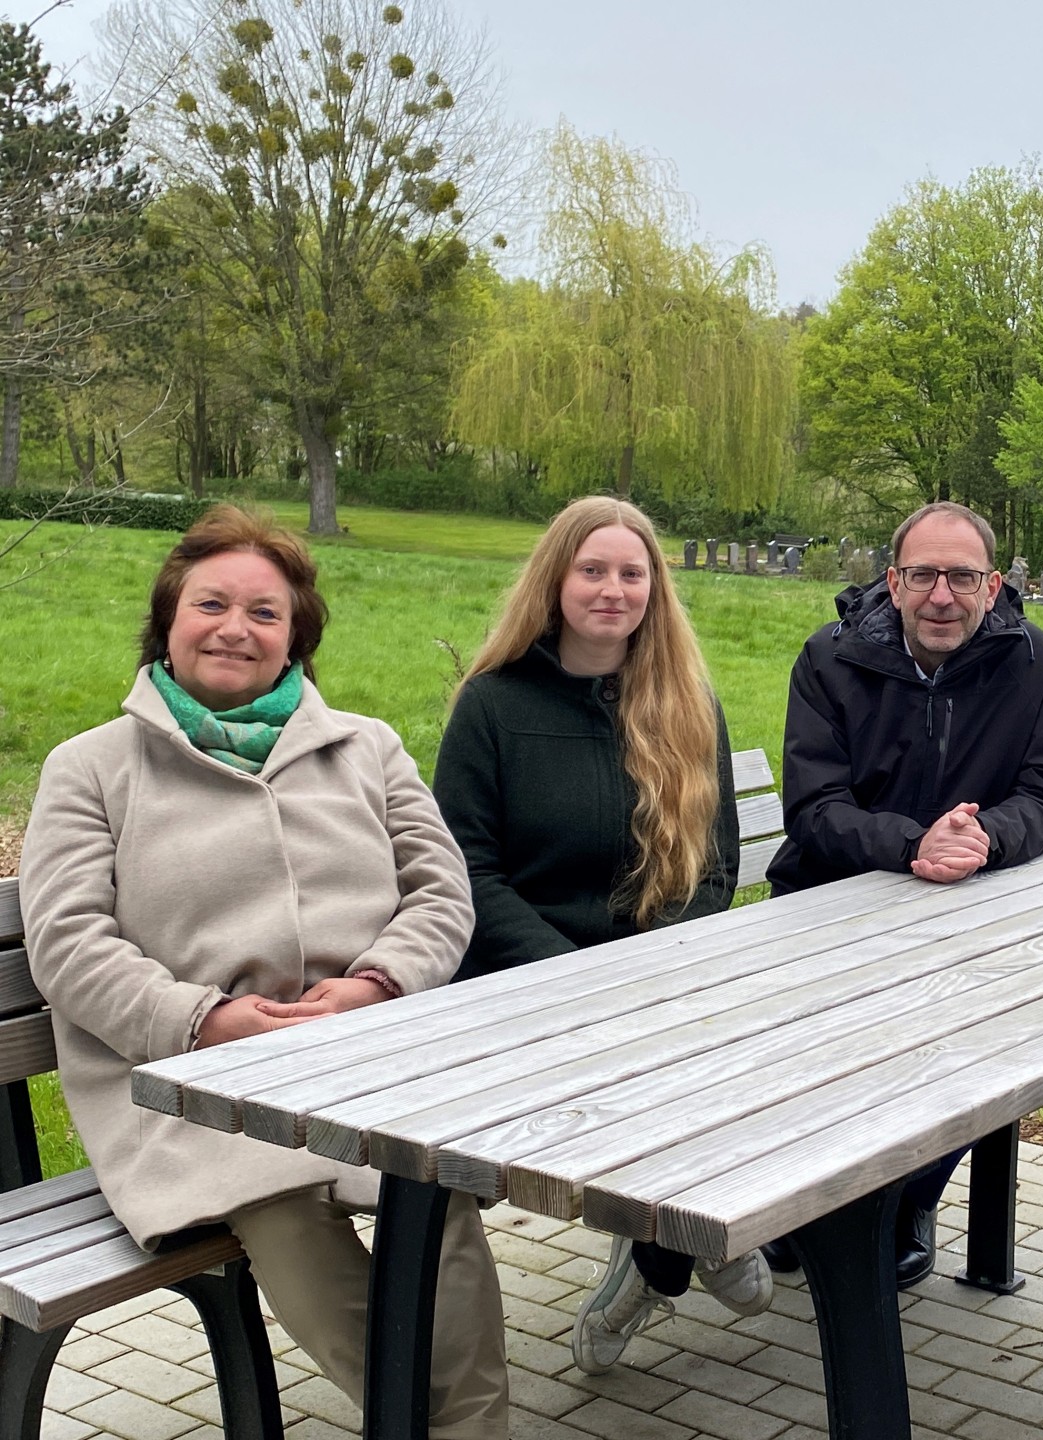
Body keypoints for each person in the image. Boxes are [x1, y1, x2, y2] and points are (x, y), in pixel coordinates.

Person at [18, 506, 507, 1440]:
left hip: (363, 1052)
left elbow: (443, 894)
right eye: (211, 604)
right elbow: (69, 944)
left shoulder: (368, 748)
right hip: (197, 1083)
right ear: (168, 620)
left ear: (297, 636)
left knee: (437, 1203)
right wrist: (205, 1021)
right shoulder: (90, 768)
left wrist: (376, 985)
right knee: (282, 1212)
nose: (235, 628)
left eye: (264, 612)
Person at [431, 495, 766, 1374]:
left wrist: (654, 972)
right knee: (653, 1080)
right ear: (556, 578)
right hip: (518, 983)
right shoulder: (491, 706)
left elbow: (718, 865)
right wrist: (571, 981)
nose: (612, 589)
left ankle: (657, 1256)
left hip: (653, 980)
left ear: (655, 588)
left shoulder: (687, 702)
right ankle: (689, 1242)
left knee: (772, 1055)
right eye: (593, 570)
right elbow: (469, 869)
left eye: (631, 572)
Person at [767, 500, 1043, 1285]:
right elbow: (813, 809)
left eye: (963, 577)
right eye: (924, 576)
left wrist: (984, 839)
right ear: (893, 581)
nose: (943, 596)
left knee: (996, 1040)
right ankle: (799, 1201)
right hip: (827, 907)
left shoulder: (1034, 661)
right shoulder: (829, 659)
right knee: (819, 1053)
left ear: (995, 583)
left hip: (965, 910)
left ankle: (907, 1198)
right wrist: (912, 845)